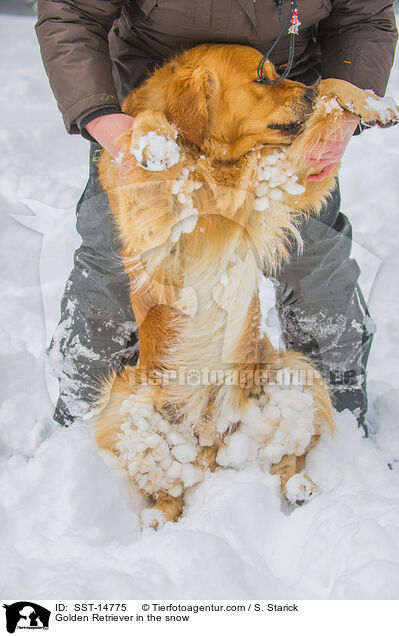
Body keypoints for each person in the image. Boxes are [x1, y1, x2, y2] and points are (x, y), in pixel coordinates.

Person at [35, 0, 397, 433]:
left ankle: (342, 423)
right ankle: (78, 423)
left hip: (271, 110)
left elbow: (364, 18)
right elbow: (71, 13)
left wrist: (340, 112)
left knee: (316, 261)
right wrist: (102, 116)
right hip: (153, 104)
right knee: (112, 260)